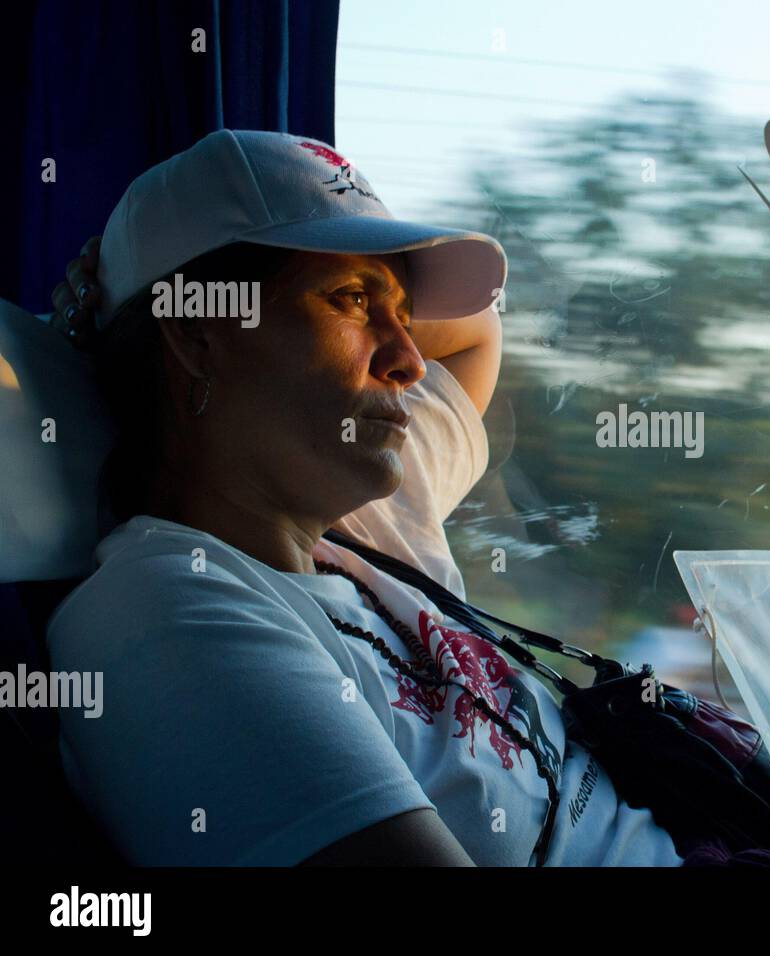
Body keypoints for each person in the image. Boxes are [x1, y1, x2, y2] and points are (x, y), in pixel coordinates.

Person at [41, 129, 695, 867]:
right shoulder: (168, 615)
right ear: (198, 333)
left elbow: (477, 331)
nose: (410, 360)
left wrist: (120, 314)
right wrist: (107, 330)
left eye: (406, 316)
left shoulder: (365, 514)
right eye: (351, 299)